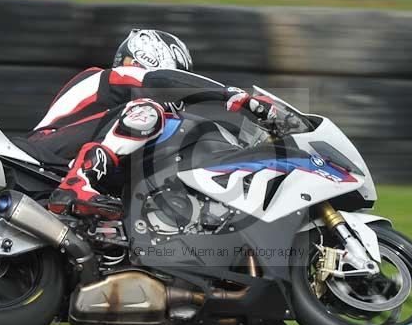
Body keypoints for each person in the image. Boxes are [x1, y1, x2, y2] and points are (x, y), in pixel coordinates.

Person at [28, 29, 276, 220]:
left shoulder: (130, 121)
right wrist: (232, 95)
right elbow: (157, 81)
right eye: (179, 77)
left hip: (75, 160)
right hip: (47, 149)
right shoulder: (109, 77)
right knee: (149, 111)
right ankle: (78, 184)